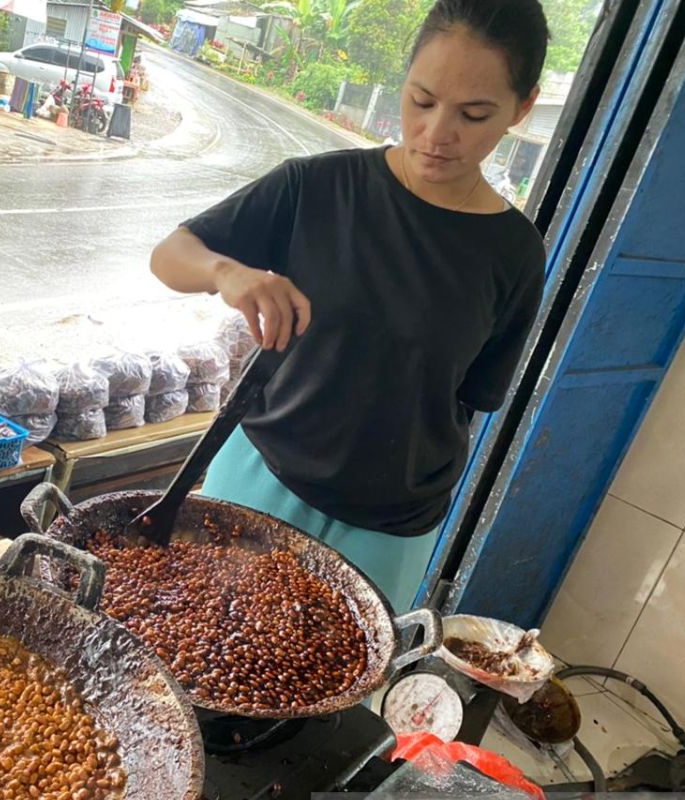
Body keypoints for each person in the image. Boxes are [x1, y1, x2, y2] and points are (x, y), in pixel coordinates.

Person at [150, 0, 550, 613]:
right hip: (261, 479)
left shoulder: (515, 253)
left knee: (322, 701)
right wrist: (226, 272)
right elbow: (171, 254)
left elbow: (471, 395)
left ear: (522, 109)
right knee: (204, 648)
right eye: (422, 100)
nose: (437, 134)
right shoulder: (317, 187)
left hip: (389, 528)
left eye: (474, 114)